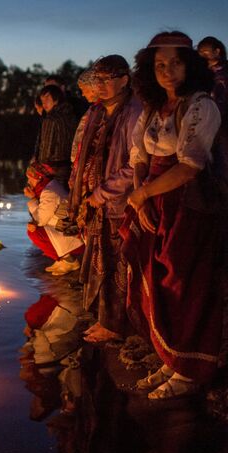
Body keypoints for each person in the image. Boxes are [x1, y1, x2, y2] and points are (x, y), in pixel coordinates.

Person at [123, 31, 222, 399]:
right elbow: (140, 158)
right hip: (152, 202)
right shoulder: (151, 108)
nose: (167, 71)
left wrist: (143, 194)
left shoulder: (200, 106)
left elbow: (190, 166)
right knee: (156, 281)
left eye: (175, 63)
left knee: (183, 283)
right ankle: (170, 358)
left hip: (187, 206)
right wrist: (141, 198)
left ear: (190, 64)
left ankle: (191, 370)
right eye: (159, 64)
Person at [68, 55, 142, 344]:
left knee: (117, 265)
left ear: (124, 80)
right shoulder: (100, 112)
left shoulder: (134, 110)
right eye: (96, 79)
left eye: (105, 80)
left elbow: (136, 164)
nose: (98, 86)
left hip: (118, 203)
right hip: (97, 202)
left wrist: (101, 192)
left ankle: (116, 325)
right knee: (101, 261)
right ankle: (105, 320)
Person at [24, 163, 84, 275]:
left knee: (34, 232)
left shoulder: (49, 192)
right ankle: (61, 260)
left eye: (30, 179)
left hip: (70, 237)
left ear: (39, 178)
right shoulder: (50, 186)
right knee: (33, 228)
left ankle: (69, 261)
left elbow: (40, 220)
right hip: (63, 229)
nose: (29, 183)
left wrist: (32, 199)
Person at [33, 84, 77, 188]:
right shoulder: (72, 116)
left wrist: (38, 168)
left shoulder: (50, 119)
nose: (44, 104)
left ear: (56, 100)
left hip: (53, 169)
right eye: (42, 100)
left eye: (47, 99)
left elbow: (46, 150)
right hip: (69, 168)